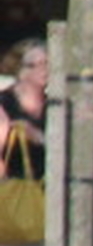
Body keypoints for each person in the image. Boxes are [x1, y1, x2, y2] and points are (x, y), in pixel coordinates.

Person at [1, 39, 47, 177]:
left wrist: (39, 137)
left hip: (50, 189)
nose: (45, 69)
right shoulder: (4, 103)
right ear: (20, 69)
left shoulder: (56, 105)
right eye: (37, 64)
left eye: (48, 63)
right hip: (13, 191)